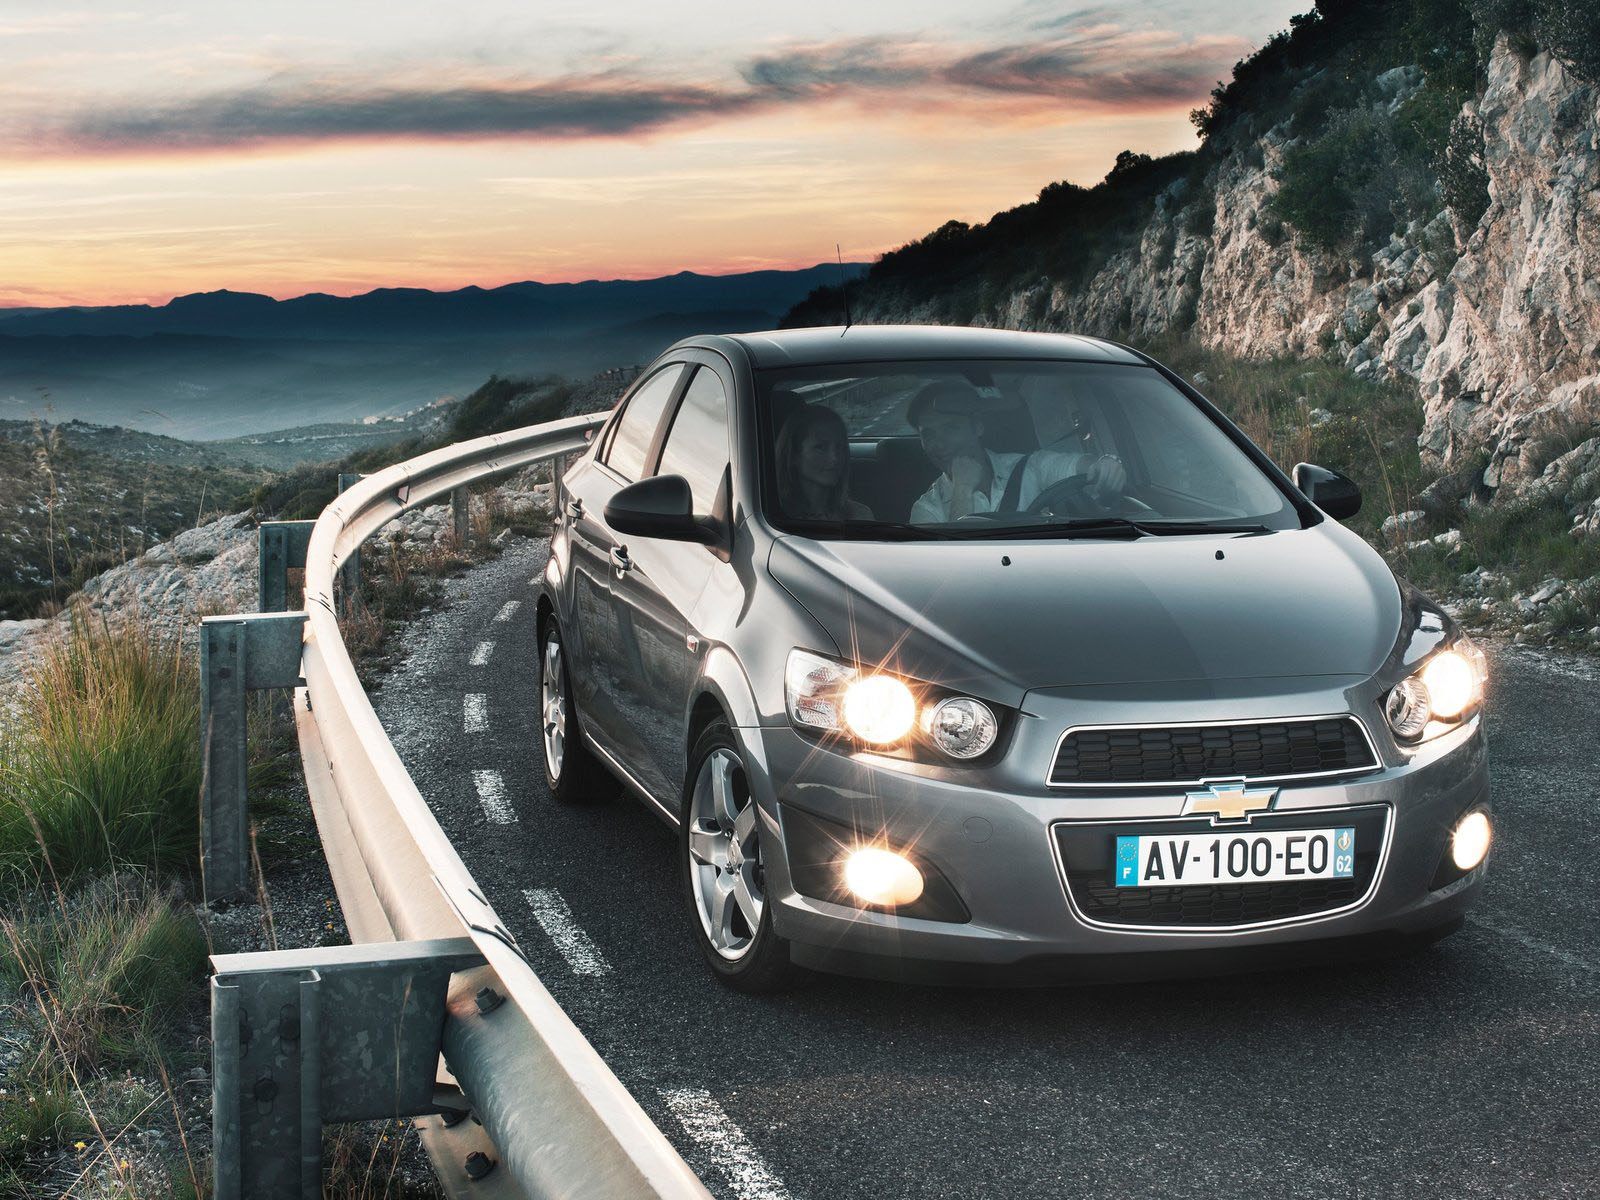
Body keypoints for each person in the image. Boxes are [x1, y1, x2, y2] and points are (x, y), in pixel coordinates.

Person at [906, 380, 1126, 523]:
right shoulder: (926, 510)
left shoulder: (1030, 466)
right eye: (928, 435)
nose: (939, 444)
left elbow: (1078, 466)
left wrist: (1106, 464)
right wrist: (962, 490)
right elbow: (953, 567)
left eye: (950, 428)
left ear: (977, 427)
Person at [776, 403, 874, 522]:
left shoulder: (860, 515)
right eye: (820, 447)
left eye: (839, 447)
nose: (835, 458)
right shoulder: (775, 521)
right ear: (794, 456)